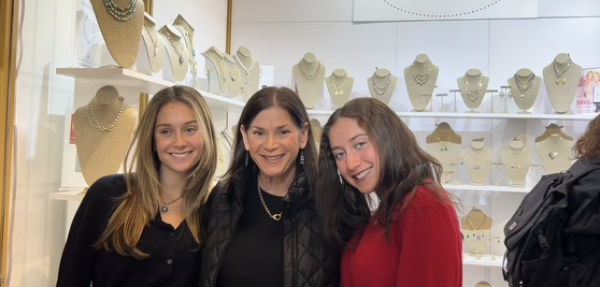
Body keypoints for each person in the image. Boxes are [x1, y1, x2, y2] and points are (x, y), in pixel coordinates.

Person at [56, 85, 218, 287]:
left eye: (190, 129)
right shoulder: (107, 196)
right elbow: (71, 279)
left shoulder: (217, 209)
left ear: (207, 135)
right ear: (152, 139)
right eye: (166, 131)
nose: (179, 141)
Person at [314, 97, 462, 287]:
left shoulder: (424, 206)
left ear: (387, 138)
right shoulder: (389, 207)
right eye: (340, 155)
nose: (351, 164)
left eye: (360, 144)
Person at [200, 86, 339, 287]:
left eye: (283, 132)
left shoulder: (329, 206)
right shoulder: (223, 199)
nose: (271, 144)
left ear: (303, 135)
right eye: (259, 133)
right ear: (245, 137)